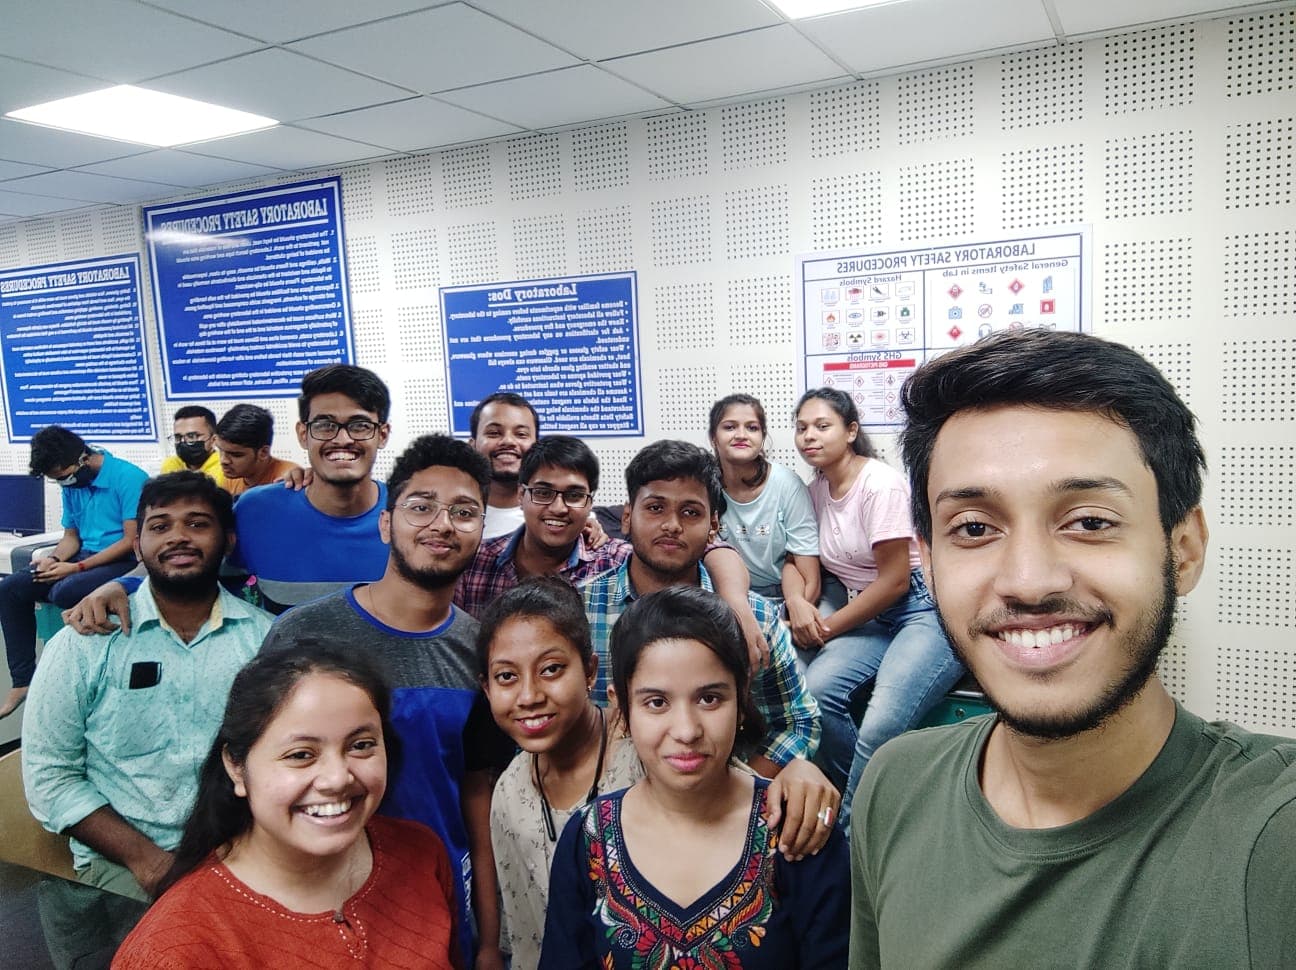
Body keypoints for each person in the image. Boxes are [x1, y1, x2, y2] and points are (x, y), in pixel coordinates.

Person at [850, 330, 1296, 969]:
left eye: (1089, 522)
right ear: (930, 559)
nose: (1029, 581)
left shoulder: (1274, 834)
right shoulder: (894, 786)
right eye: (974, 528)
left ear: (1184, 549)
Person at [259, 434, 515, 969]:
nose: (442, 524)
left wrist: (488, 940)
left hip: (437, 898)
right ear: (385, 523)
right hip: (318, 896)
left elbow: (480, 797)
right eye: (421, 507)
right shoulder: (304, 634)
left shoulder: (483, 652)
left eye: (464, 512)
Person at [540, 586, 850, 969]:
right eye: (657, 703)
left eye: (709, 699)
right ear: (622, 709)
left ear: (741, 701)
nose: (686, 730)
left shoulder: (796, 832)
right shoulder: (588, 840)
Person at [112, 640, 460, 969]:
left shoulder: (420, 854)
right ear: (236, 766)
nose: (337, 778)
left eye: (361, 745)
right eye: (301, 755)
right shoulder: (173, 949)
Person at [22, 472, 273, 900]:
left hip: (249, 857)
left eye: (197, 523)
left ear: (228, 541)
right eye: (160, 526)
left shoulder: (265, 640)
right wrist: (149, 863)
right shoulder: (86, 641)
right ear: (138, 546)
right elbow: (51, 776)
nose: (178, 537)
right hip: (125, 866)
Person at [581, 440, 837, 852]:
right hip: (607, 822)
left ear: (714, 525)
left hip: (727, 827)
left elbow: (798, 722)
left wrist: (738, 791)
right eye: (655, 508)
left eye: (691, 512)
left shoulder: (754, 619)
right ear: (627, 516)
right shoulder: (582, 610)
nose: (672, 525)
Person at [64, 363, 393, 630]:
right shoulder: (258, 511)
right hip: (290, 682)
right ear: (302, 434)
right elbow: (189, 552)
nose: (342, 439)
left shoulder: (408, 518)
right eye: (324, 425)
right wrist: (119, 585)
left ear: (382, 434)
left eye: (360, 425)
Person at [794, 387, 963, 823]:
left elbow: (894, 582)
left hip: (921, 610)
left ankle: (850, 833)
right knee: (816, 694)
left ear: (851, 431)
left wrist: (826, 628)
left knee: (881, 724)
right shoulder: (814, 491)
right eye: (802, 427)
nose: (809, 436)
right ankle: (865, 807)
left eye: (822, 426)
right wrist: (796, 600)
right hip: (872, 616)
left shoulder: (879, 485)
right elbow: (797, 558)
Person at [454, 435, 765, 651]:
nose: (558, 507)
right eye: (543, 493)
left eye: (574, 495)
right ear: (521, 495)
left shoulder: (612, 557)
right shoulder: (476, 560)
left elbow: (701, 549)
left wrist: (735, 601)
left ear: (590, 503)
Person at [477, 578, 643, 970]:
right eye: (506, 677)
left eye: (551, 669)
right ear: (486, 689)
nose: (529, 696)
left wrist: (790, 776)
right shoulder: (510, 792)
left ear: (590, 671)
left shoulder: (643, 755)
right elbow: (526, 934)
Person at [0, 426, 148, 718]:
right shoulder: (71, 485)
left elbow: (130, 540)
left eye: (63, 476)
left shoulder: (129, 478)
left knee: (64, 591)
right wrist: (54, 559)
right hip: (82, 558)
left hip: (122, 559)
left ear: (83, 458)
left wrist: (76, 568)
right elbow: (71, 537)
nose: (63, 483)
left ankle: (76, 675)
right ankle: (23, 680)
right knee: (10, 589)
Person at [709, 393, 821, 621]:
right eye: (730, 427)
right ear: (713, 438)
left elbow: (810, 578)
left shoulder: (787, 484)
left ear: (762, 438)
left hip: (783, 596)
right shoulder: (702, 486)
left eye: (752, 428)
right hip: (724, 598)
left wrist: (789, 623)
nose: (741, 435)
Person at [469, 392, 539, 540]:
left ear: (537, 446)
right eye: (494, 433)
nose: (508, 441)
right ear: (472, 445)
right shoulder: (452, 513)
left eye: (521, 434)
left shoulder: (556, 514)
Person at [214, 403, 301, 498]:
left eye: (236, 455)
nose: (224, 461)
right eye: (220, 450)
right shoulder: (232, 475)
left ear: (263, 452)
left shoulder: (287, 480)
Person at [160, 405, 227, 488]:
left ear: (213, 440)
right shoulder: (171, 465)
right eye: (178, 437)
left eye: (192, 436)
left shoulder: (225, 468)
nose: (183, 442)